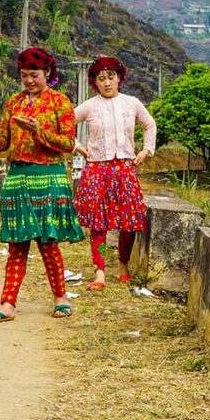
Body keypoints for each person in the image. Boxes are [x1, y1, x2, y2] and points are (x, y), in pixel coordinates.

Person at [0, 47, 84, 323]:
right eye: (25, 75)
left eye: (35, 75)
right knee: (17, 244)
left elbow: (67, 143)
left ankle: (61, 298)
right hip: (17, 178)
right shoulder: (13, 102)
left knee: (48, 243)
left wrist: (38, 130)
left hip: (48, 177)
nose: (29, 80)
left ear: (48, 73)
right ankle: (7, 303)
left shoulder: (60, 103)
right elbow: (5, 140)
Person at [73, 56, 155, 290]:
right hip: (97, 169)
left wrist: (147, 150)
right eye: (101, 78)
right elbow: (64, 123)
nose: (107, 82)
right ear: (95, 82)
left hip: (126, 169)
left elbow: (149, 124)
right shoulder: (90, 106)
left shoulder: (132, 103)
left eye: (111, 77)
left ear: (119, 78)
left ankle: (123, 265)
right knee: (98, 223)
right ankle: (99, 271)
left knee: (129, 221)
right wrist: (77, 146)